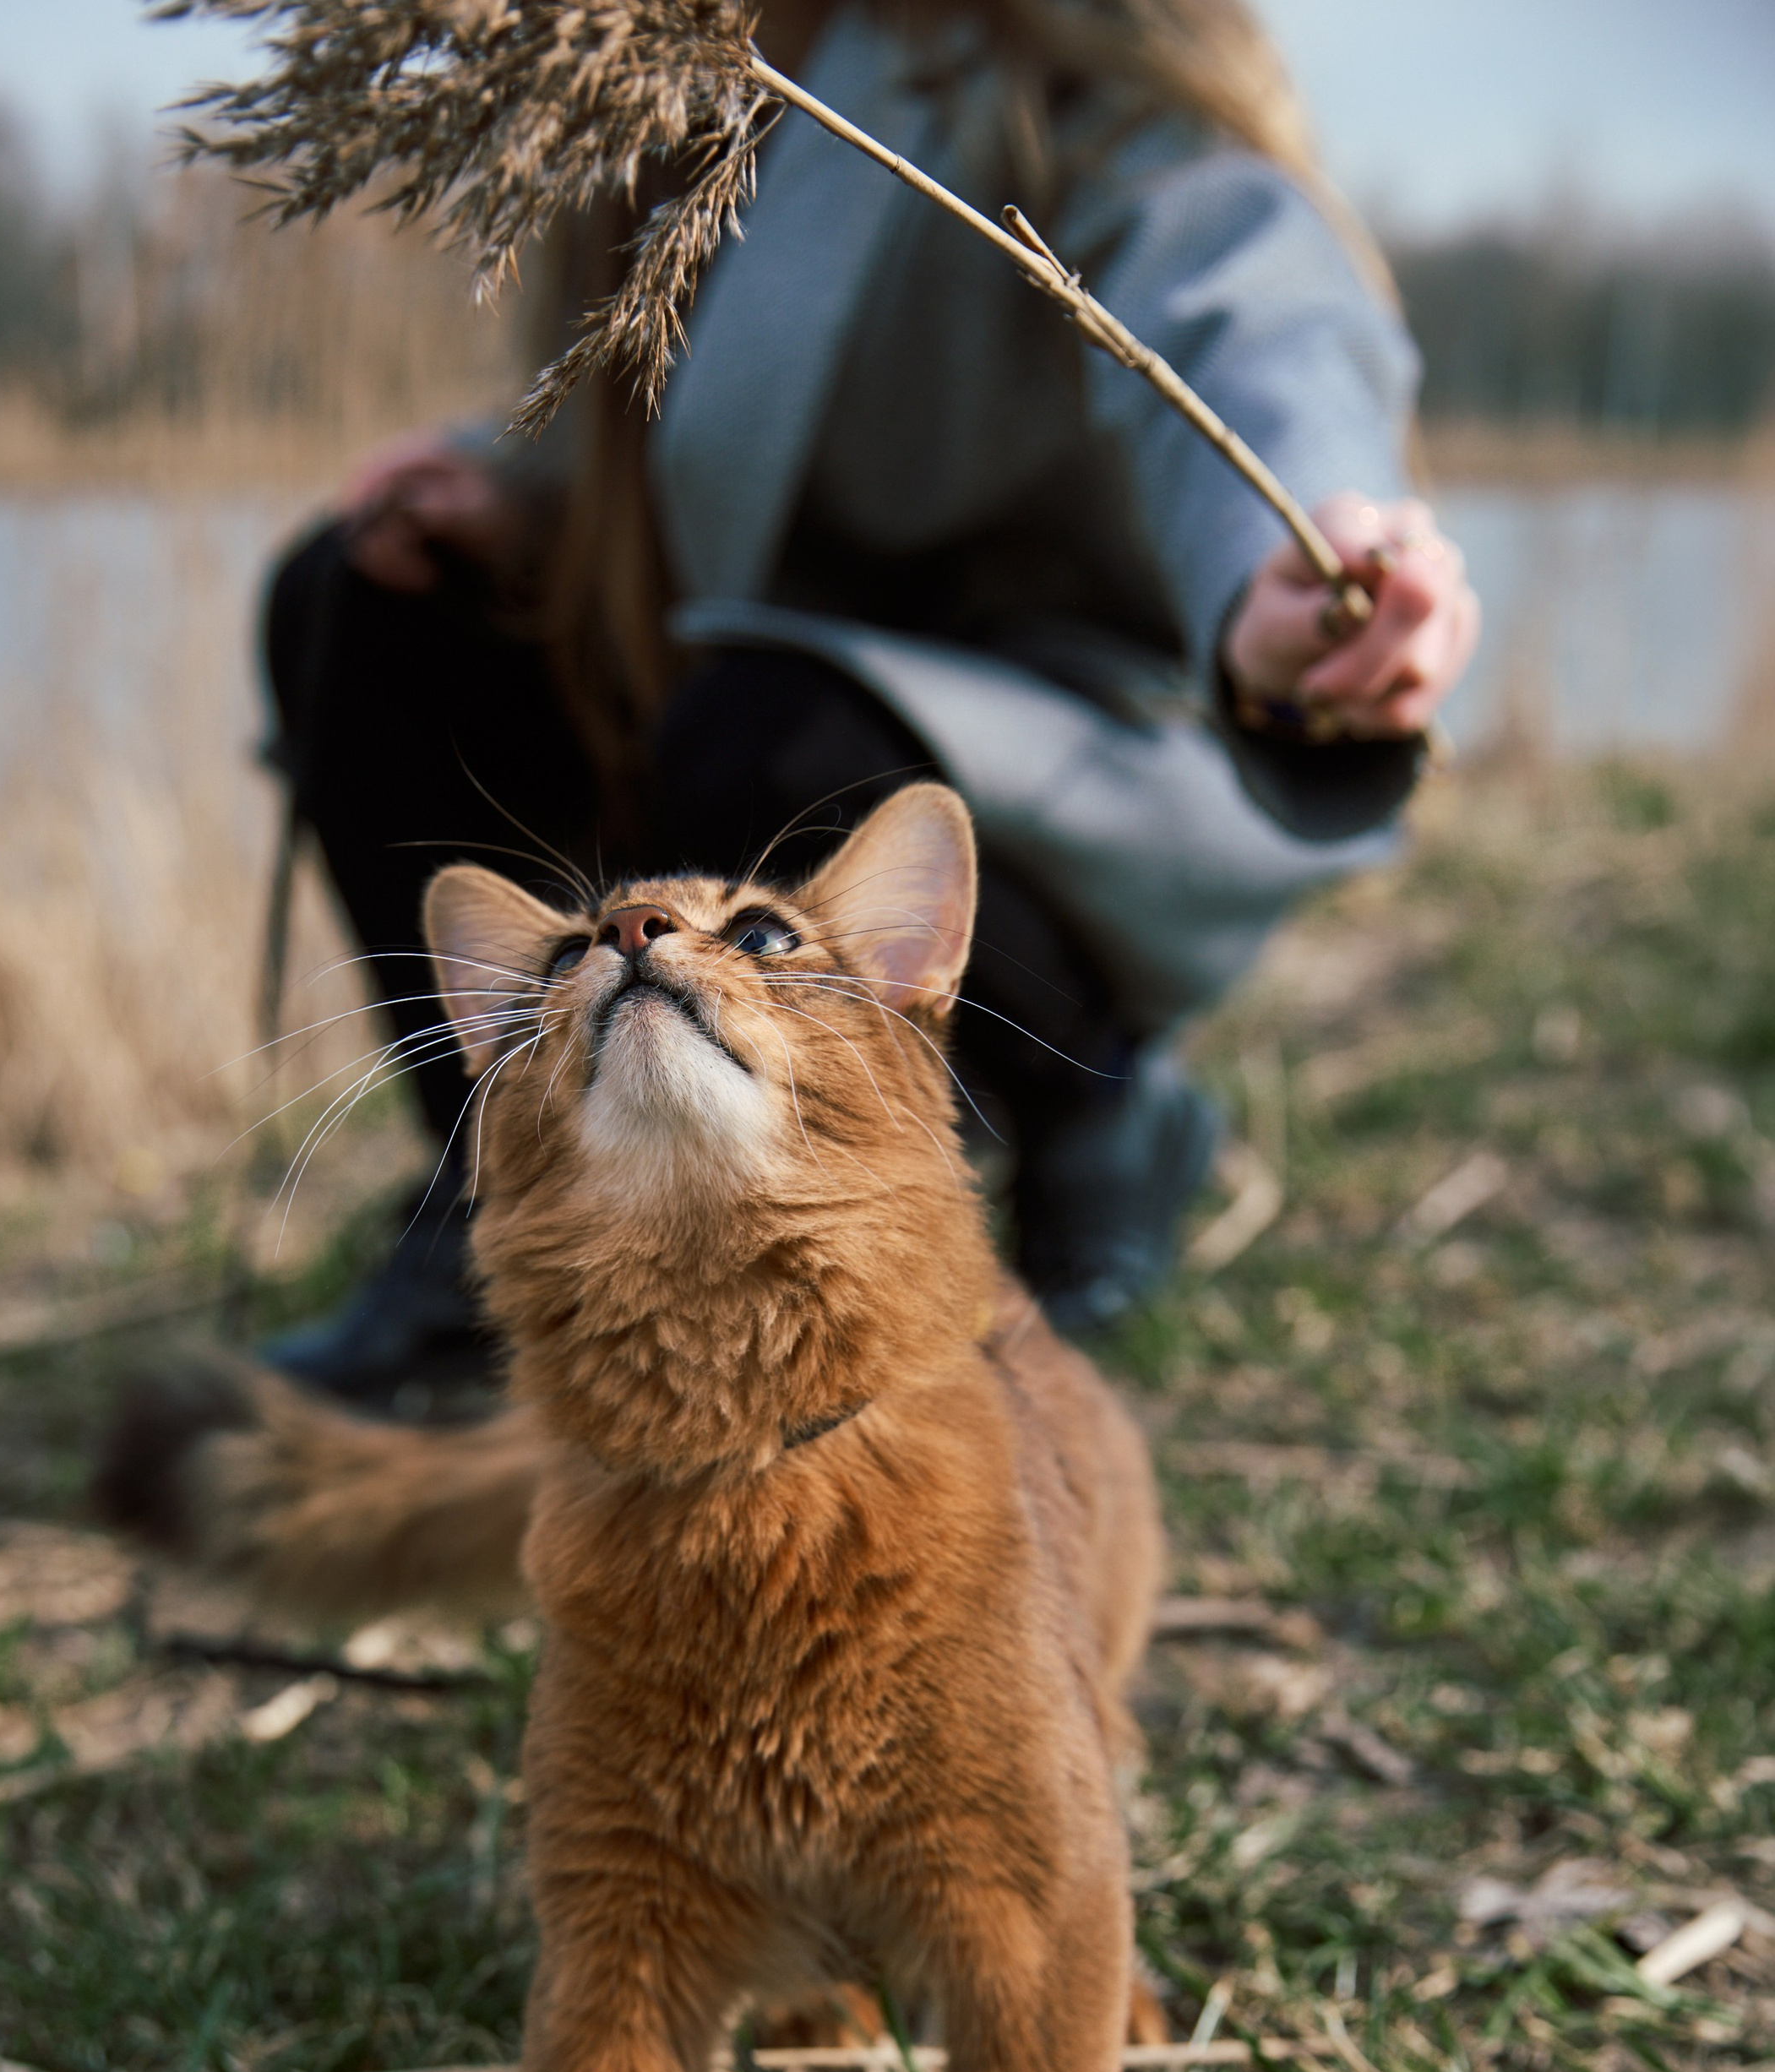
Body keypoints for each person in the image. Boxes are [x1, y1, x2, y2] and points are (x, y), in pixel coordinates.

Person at [257, 0, 1480, 1410]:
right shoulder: (659, 75)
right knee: (358, 597)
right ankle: (521, 1195)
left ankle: (1098, 1106)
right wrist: (520, 483)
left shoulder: (1058, 78)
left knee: (770, 739)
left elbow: (1248, 312)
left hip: (1020, 732)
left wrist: (1301, 556)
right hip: (722, 684)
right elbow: (695, 420)